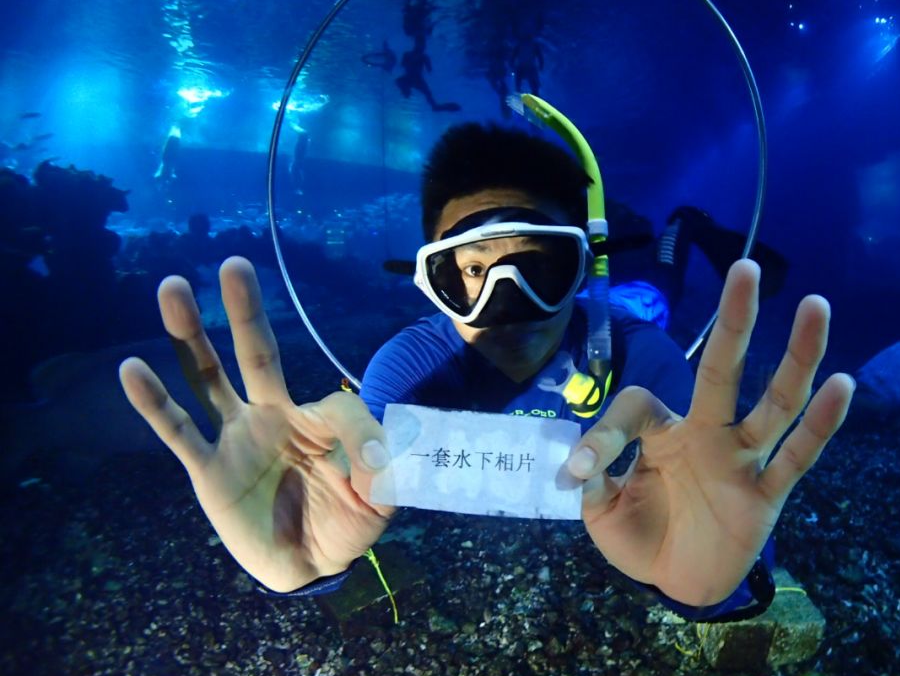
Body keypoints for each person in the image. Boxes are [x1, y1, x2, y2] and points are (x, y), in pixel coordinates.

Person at [119, 122, 854, 622]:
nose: (506, 306)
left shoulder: (645, 367)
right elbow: (337, 481)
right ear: (428, 279)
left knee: (660, 286)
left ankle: (679, 227)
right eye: (468, 274)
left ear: (579, 265)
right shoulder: (405, 371)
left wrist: (718, 583)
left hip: (629, 306)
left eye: (538, 266)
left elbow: (717, 503)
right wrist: (308, 558)